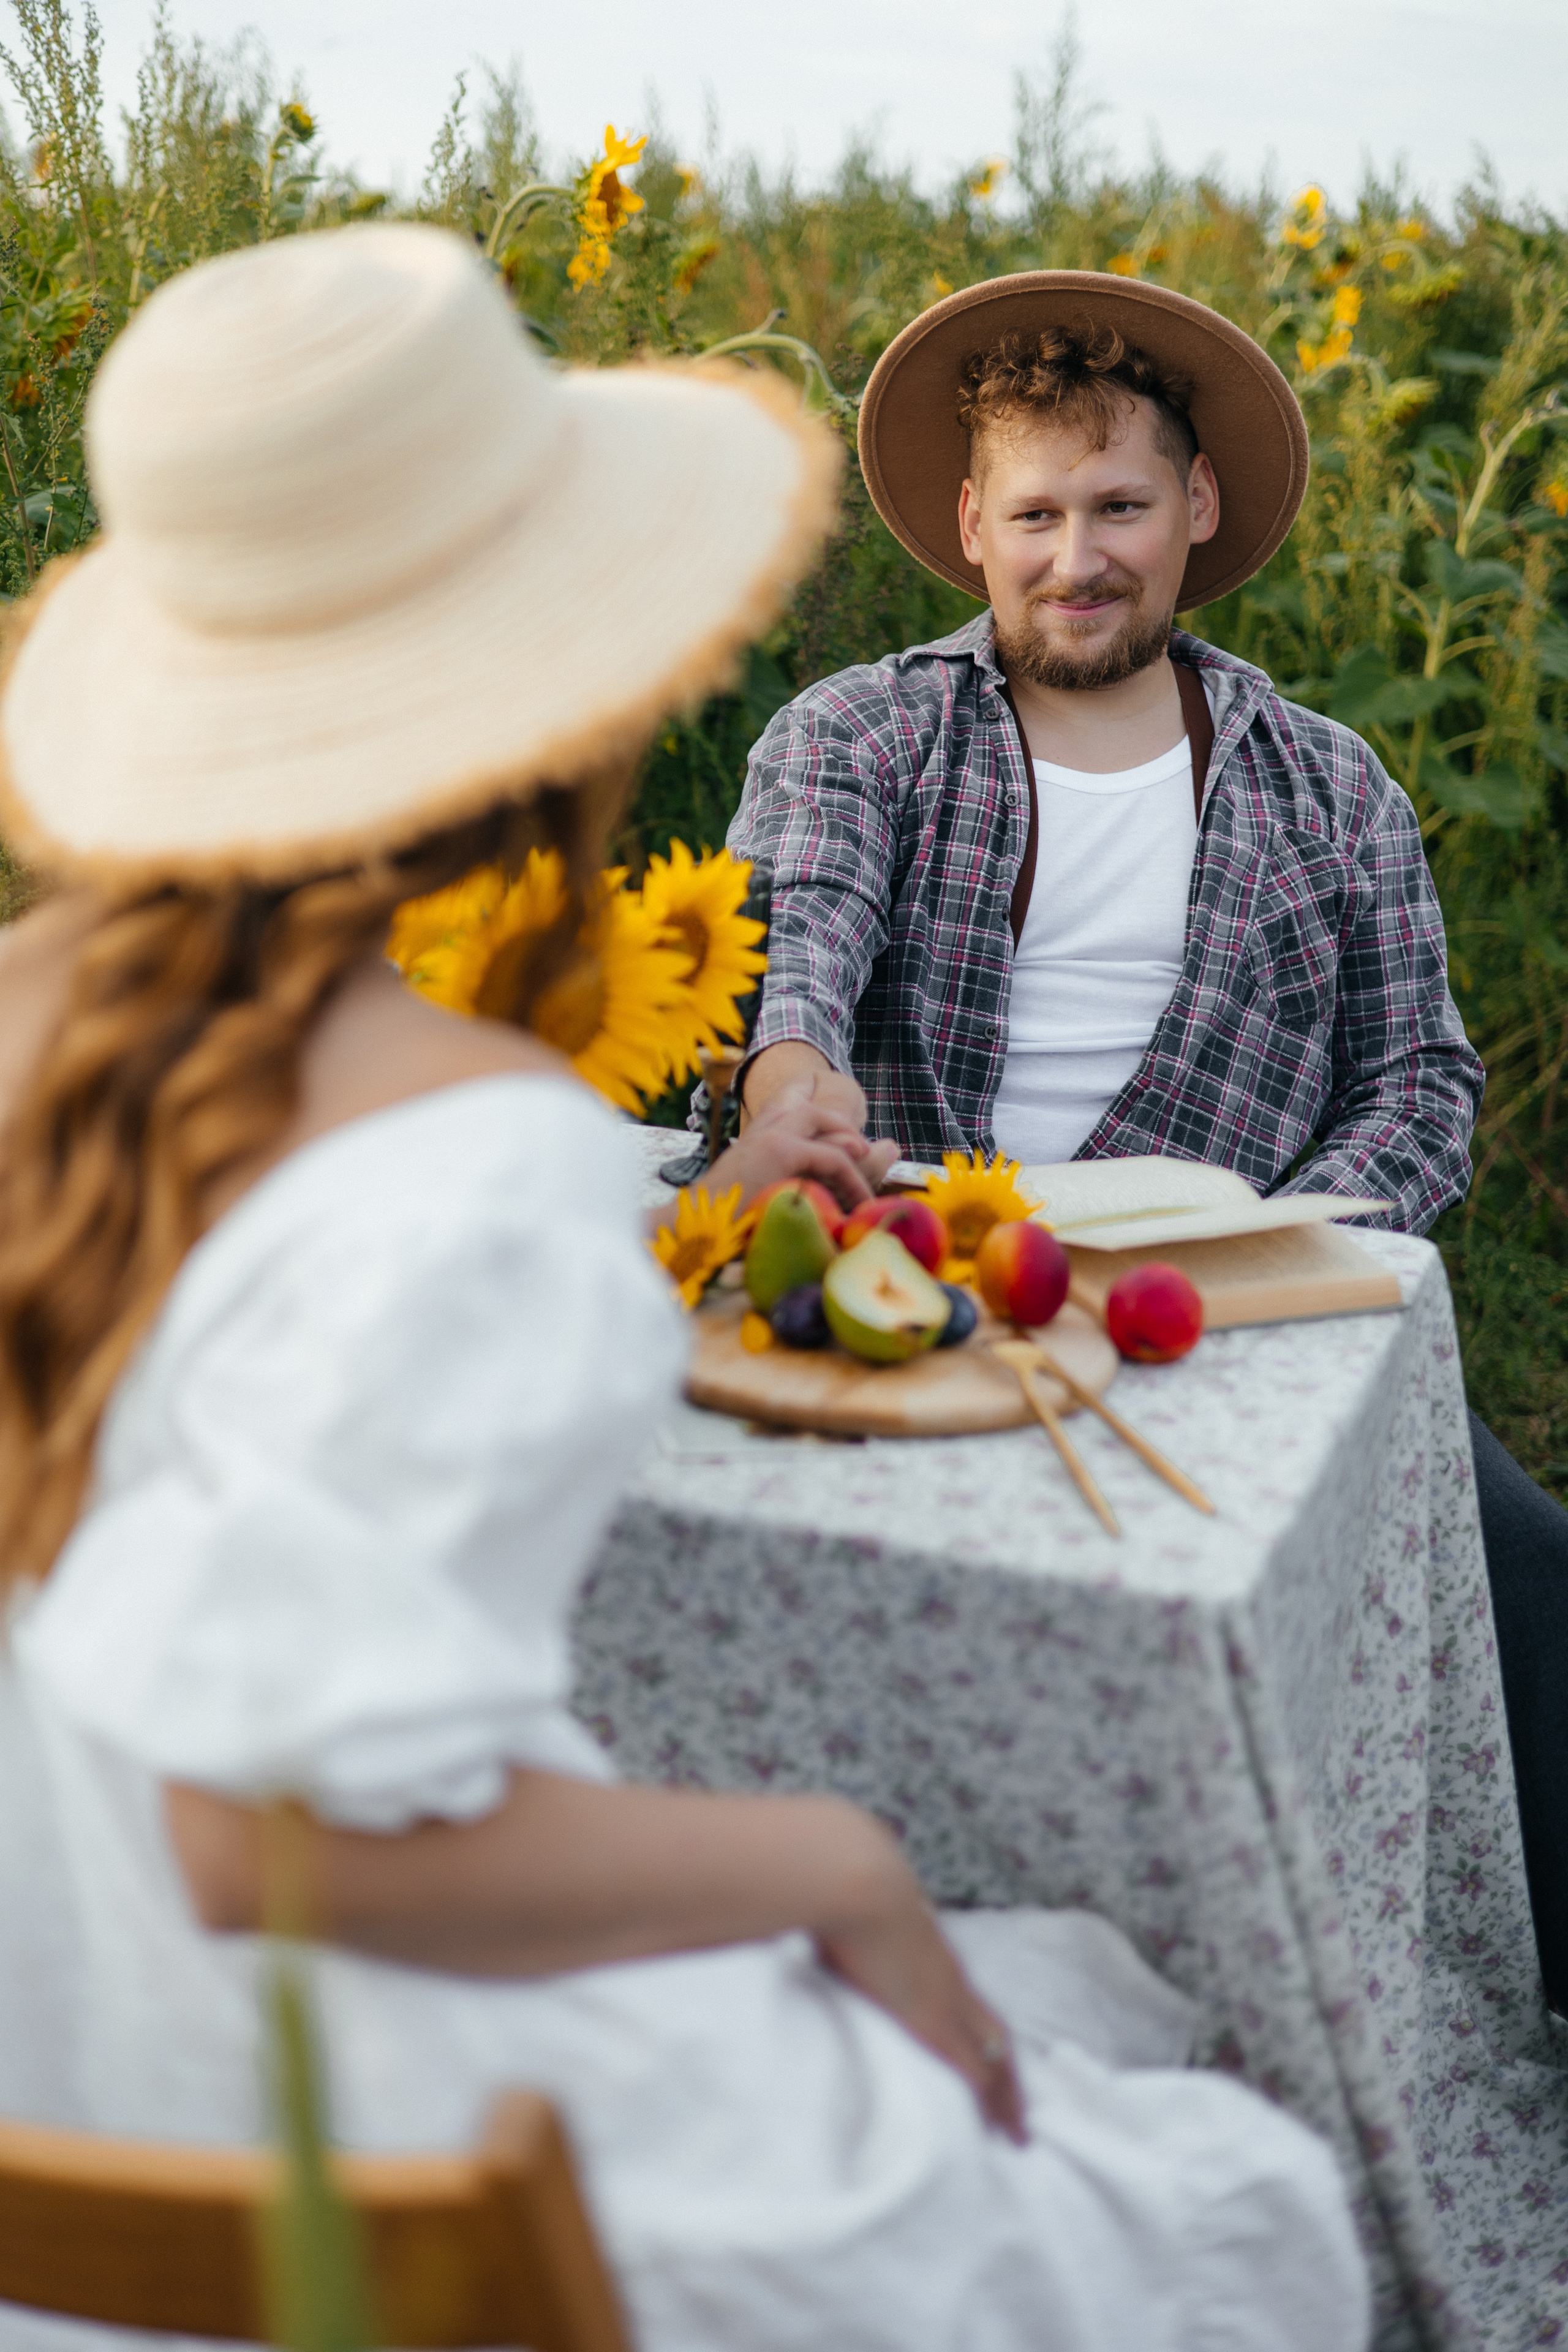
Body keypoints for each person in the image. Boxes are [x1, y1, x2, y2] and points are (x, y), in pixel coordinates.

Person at [0, 227, 1370, 2352]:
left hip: (74, 2077)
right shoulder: (478, 1161)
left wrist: (701, 1198)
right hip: (395, 2122)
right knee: (1237, 2197)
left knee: (1072, 2007)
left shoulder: (47, 1016)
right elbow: (251, 1836)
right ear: (569, 678)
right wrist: (830, 1860)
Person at [726, 268, 1568, 2012]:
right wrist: (789, 1082)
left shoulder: (1329, 781)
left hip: (1230, 1308)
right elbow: (794, 929)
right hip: (922, 1274)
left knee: (1521, 1587)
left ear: (1196, 508)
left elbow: (1423, 1080)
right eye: (1035, 512)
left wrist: (1282, 1249)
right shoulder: (865, 732)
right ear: (971, 524)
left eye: (1120, 506)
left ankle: (1487, 1980)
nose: (1077, 556)